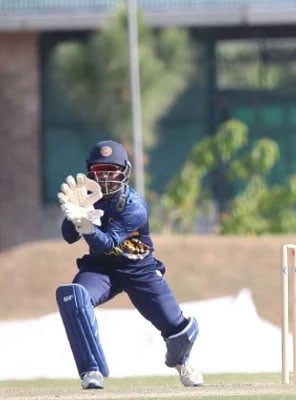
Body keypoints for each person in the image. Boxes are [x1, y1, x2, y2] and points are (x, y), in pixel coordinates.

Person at [56, 140, 203, 389]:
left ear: (124, 171)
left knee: (179, 331)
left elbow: (107, 242)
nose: (106, 178)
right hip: (102, 268)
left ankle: (182, 361)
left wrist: (86, 226)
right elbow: (69, 237)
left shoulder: (134, 206)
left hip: (139, 268)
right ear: (92, 171)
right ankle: (91, 371)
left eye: (111, 171)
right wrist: (74, 215)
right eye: (100, 171)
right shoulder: (89, 197)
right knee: (74, 297)